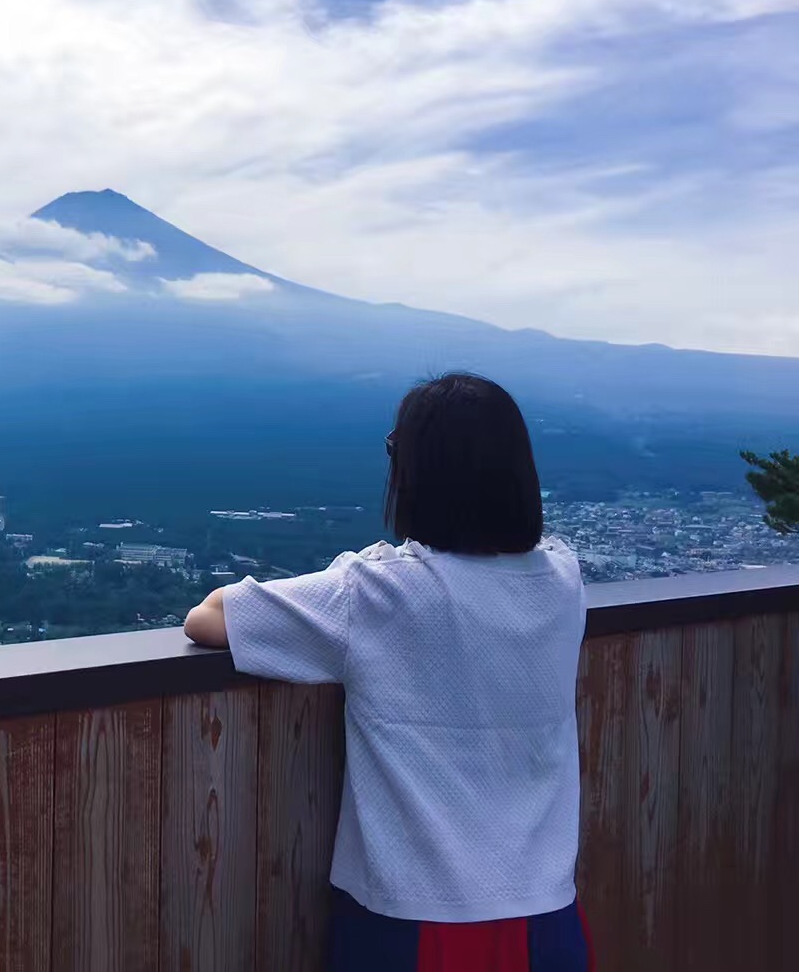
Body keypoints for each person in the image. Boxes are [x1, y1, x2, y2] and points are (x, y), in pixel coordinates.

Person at [185, 373, 593, 972]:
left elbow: (210, 619)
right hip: (549, 920)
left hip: (415, 925)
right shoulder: (562, 581)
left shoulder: (381, 594)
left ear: (416, 475)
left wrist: (365, 566)